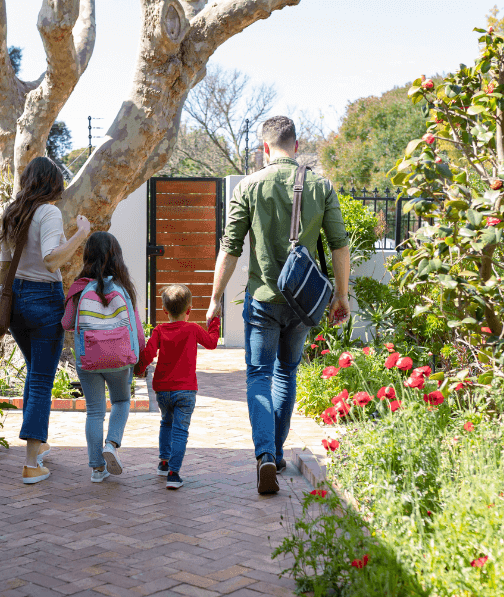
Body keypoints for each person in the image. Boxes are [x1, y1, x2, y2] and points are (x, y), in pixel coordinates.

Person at [207, 116, 351, 495]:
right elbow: (339, 244)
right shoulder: (320, 186)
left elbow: (229, 248)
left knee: (259, 375)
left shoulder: (249, 186)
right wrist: (340, 295)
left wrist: (215, 299)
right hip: (303, 301)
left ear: (265, 148)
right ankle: (277, 453)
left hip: (262, 299)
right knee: (286, 373)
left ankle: (265, 454)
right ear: (296, 145)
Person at [0, 156, 92, 485]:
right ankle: (30, 463)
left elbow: (4, 264)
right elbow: (52, 260)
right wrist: (81, 233)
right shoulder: (48, 212)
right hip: (43, 299)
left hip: (16, 300)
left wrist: (4, 301)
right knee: (41, 380)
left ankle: (38, 445)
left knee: (35, 374)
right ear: (53, 183)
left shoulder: (13, 212)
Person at [61, 231, 145, 483]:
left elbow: (66, 323)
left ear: (87, 256)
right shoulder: (124, 288)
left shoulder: (79, 289)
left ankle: (97, 468)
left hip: (88, 359)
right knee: (121, 401)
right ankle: (111, 444)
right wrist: (140, 357)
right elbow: (137, 330)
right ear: (117, 257)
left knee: (95, 412)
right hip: (119, 359)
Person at [134, 284, 221, 489]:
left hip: (163, 390)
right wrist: (215, 322)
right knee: (180, 430)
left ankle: (164, 462)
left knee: (166, 422)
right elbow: (211, 343)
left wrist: (138, 368)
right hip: (186, 390)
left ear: (165, 310)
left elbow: (149, 353)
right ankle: (174, 474)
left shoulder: (159, 330)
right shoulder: (193, 329)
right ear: (189, 310)